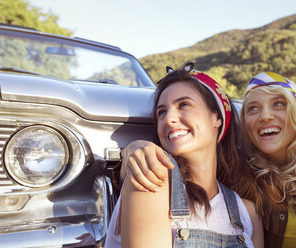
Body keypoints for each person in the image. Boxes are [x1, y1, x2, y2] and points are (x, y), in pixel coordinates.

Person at [113, 71, 296, 248]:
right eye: (252, 108)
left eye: (279, 104)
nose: (265, 116)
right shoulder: (243, 174)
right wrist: (131, 151)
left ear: (216, 118)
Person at [105, 63, 264, 248]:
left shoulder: (248, 213)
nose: (168, 119)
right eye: (161, 112)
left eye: (184, 105)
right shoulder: (152, 180)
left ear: (216, 117)